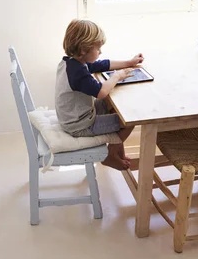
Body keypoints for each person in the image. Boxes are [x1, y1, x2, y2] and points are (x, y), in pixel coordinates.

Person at [55, 19, 144, 170]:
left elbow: (102, 64)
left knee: (119, 112)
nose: (100, 52)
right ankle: (109, 156)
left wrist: (129, 62)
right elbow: (101, 92)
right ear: (84, 49)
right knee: (129, 121)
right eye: (98, 48)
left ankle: (117, 155)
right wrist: (117, 76)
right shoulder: (78, 73)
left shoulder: (72, 62)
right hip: (80, 125)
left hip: (76, 115)